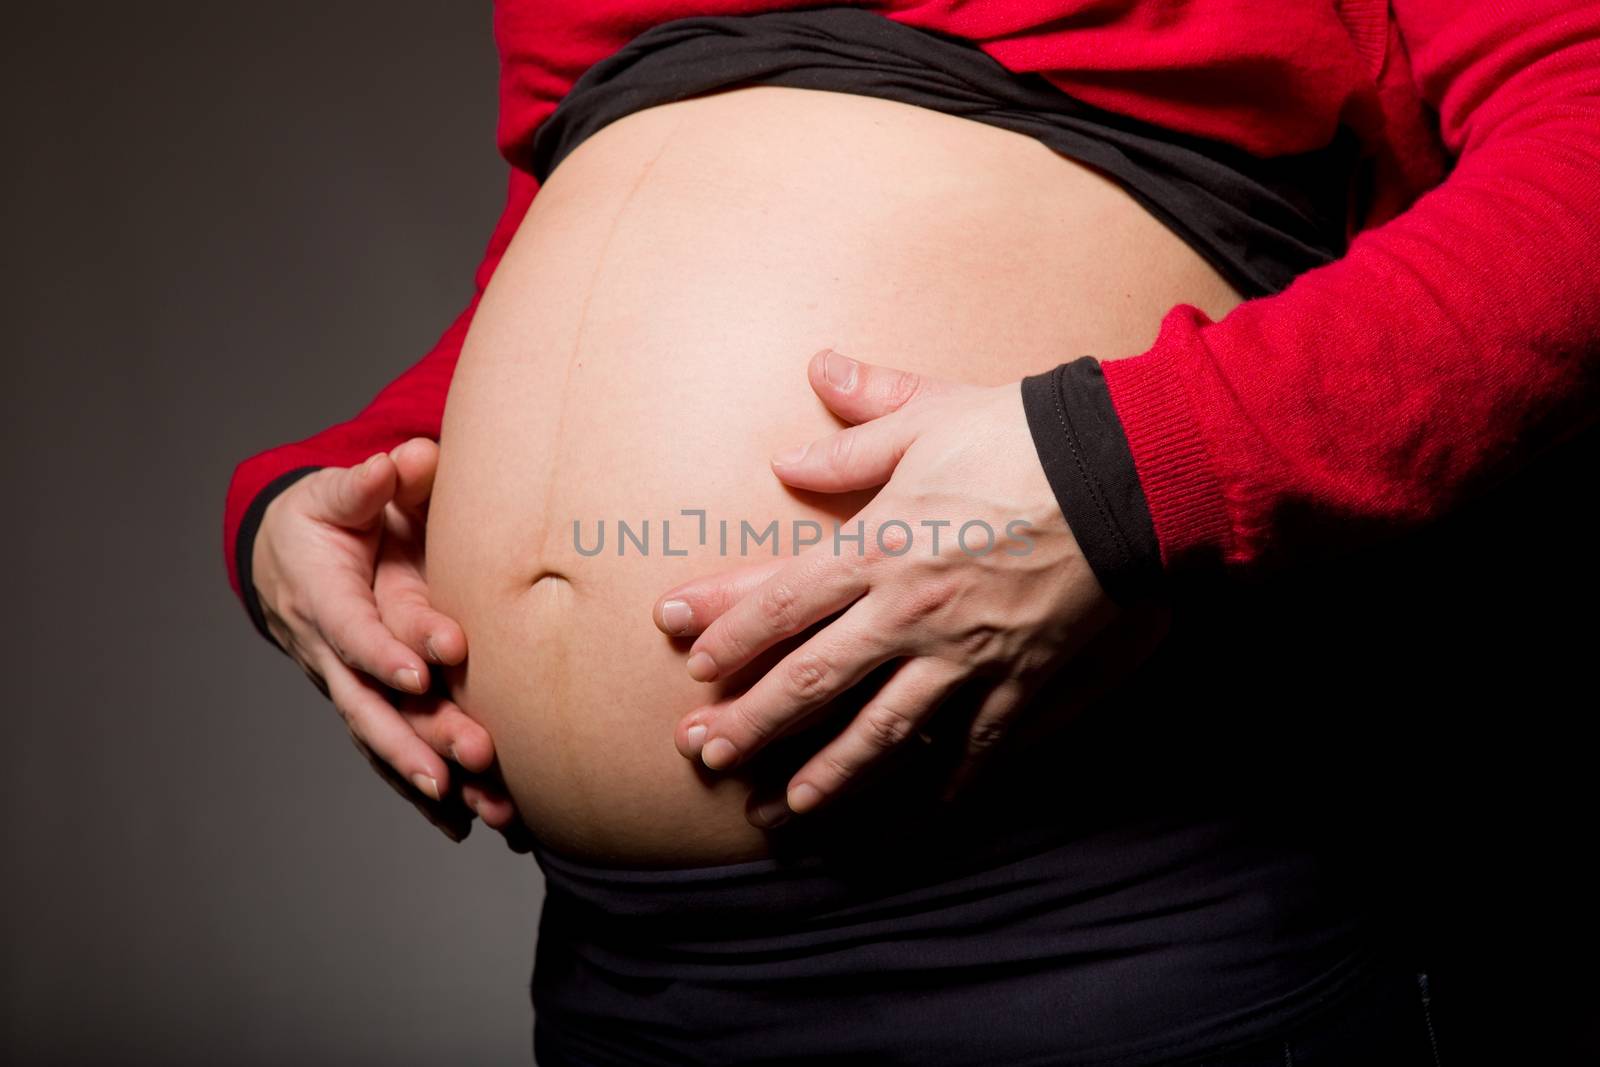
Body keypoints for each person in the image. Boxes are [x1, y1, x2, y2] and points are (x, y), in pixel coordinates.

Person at [224, 2, 1600, 1063]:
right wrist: (341, 483)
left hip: (1114, 932)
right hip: (632, 979)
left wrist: (1129, 474)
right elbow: (594, 206)